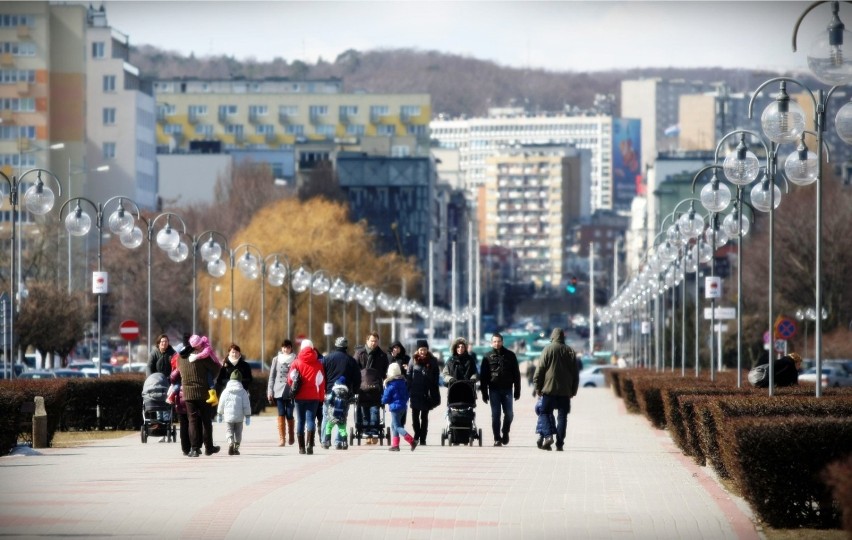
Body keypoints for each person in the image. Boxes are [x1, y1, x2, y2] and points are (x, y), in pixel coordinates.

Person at [533, 328, 579, 452]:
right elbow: (575, 373)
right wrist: (573, 390)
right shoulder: (570, 351)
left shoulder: (548, 349)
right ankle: (559, 444)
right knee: (562, 416)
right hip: (565, 391)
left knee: (544, 412)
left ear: (553, 336)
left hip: (549, 389)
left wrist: (537, 387)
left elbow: (540, 369)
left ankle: (548, 436)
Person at [176, 334, 221, 457]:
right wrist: (210, 378)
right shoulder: (201, 356)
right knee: (206, 421)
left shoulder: (180, 357)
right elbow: (217, 367)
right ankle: (209, 448)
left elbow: (178, 371)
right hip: (203, 392)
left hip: (188, 393)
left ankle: (195, 449)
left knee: (192, 421)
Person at [480, 332, 522, 446]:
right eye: (494, 341)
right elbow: (483, 377)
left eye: (498, 341)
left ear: (502, 342)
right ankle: (497, 438)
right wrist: (484, 393)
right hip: (494, 390)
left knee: (509, 414)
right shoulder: (487, 357)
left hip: (508, 389)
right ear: (491, 343)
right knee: (495, 415)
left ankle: (505, 431)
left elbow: (516, 374)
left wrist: (517, 390)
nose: (497, 343)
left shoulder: (510, 355)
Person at [320, 337, 361, 449]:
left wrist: (323, 390)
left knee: (326, 417)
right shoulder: (351, 360)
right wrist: (355, 392)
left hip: (329, 392)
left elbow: (321, 376)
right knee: (342, 417)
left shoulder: (327, 359)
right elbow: (357, 378)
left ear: (335, 345)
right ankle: (339, 441)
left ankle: (325, 441)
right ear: (346, 347)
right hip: (345, 394)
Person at [289, 339, 326, 455]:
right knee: (310, 420)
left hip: (299, 396)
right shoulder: (318, 364)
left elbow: (290, 379)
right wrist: (321, 398)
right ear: (312, 348)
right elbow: (321, 383)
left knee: (300, 421)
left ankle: (301, 448)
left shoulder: (296, 362)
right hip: (313, 397)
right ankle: (310, 445)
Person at [355, 331, 389, 444]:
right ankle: (366, 432)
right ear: (367, 341)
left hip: (376, 388)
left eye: (375, 341)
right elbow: (354, 369)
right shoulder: (360, 354)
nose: (373, 343)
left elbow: (385, 371)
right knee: (364, 411)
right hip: (362, 388)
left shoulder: (382, 355)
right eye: (372, 341)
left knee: (374, 410)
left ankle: (374, 432)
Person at [406, 339, 440, 445]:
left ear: (427, 349)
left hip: (427, 392)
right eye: (421, 349)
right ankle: (417, 434)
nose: (423, 352)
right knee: (415, 417)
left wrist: (434, 385)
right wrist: (409, 386)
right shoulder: (413, 359)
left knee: (424, 417)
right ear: (418, 350)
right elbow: (409, 373)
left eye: (424, 349)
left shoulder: (432, 360)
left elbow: (436, 374)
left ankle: (423, 438)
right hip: (415, 391)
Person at [267, 339, 296, 447]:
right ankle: (282, 439)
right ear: (281, 348)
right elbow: (272, 376)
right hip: (278, 390)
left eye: (288, 347)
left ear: (291, 348)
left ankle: (291, 434)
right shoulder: (276, 359)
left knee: (289, 414)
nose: (285, 349)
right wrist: (270, 391)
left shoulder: (295, 359)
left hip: (290, 390)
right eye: (284, 347)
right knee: (281, 413)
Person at [382, 362, 417, 451]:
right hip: (402, 407)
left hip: (395, 408)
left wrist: (381, 400)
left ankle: (411, 441)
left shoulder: (390, 385)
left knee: (397, 426)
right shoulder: (402, 382)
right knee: (394, 425)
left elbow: (385, 398)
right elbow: (407, 394)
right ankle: (395, 445)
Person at [216, 370, 252, 456]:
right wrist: (247, 416)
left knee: (229, 431)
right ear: (240, 380)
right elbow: (246, 405)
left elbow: (221, 403)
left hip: (228, 417)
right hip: (239, 417)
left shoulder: (225, 391)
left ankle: (230, 442)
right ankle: (236, 447)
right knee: (238, 433)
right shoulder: (243, 391)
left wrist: (219, 414)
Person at [188, 334, 222, 405]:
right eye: (195, 346)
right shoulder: (198, 347)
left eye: (198, 345)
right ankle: (214, 399)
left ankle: (213, 395)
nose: (197, 347)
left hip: (214, 365)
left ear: (200, 342)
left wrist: (197, 356)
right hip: (208, 366)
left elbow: (205, 353)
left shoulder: (206, 345)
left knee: (209, 378)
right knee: (207, 379)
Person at [325, 376, 352, 450]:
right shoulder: (346, 393)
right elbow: (349, 401)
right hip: (341, 415)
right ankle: (345, 443)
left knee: (328, 427)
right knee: (342, 429)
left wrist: (327, 401)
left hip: (333, 414)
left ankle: (327, 442)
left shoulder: (334, 391)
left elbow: (329, 400)